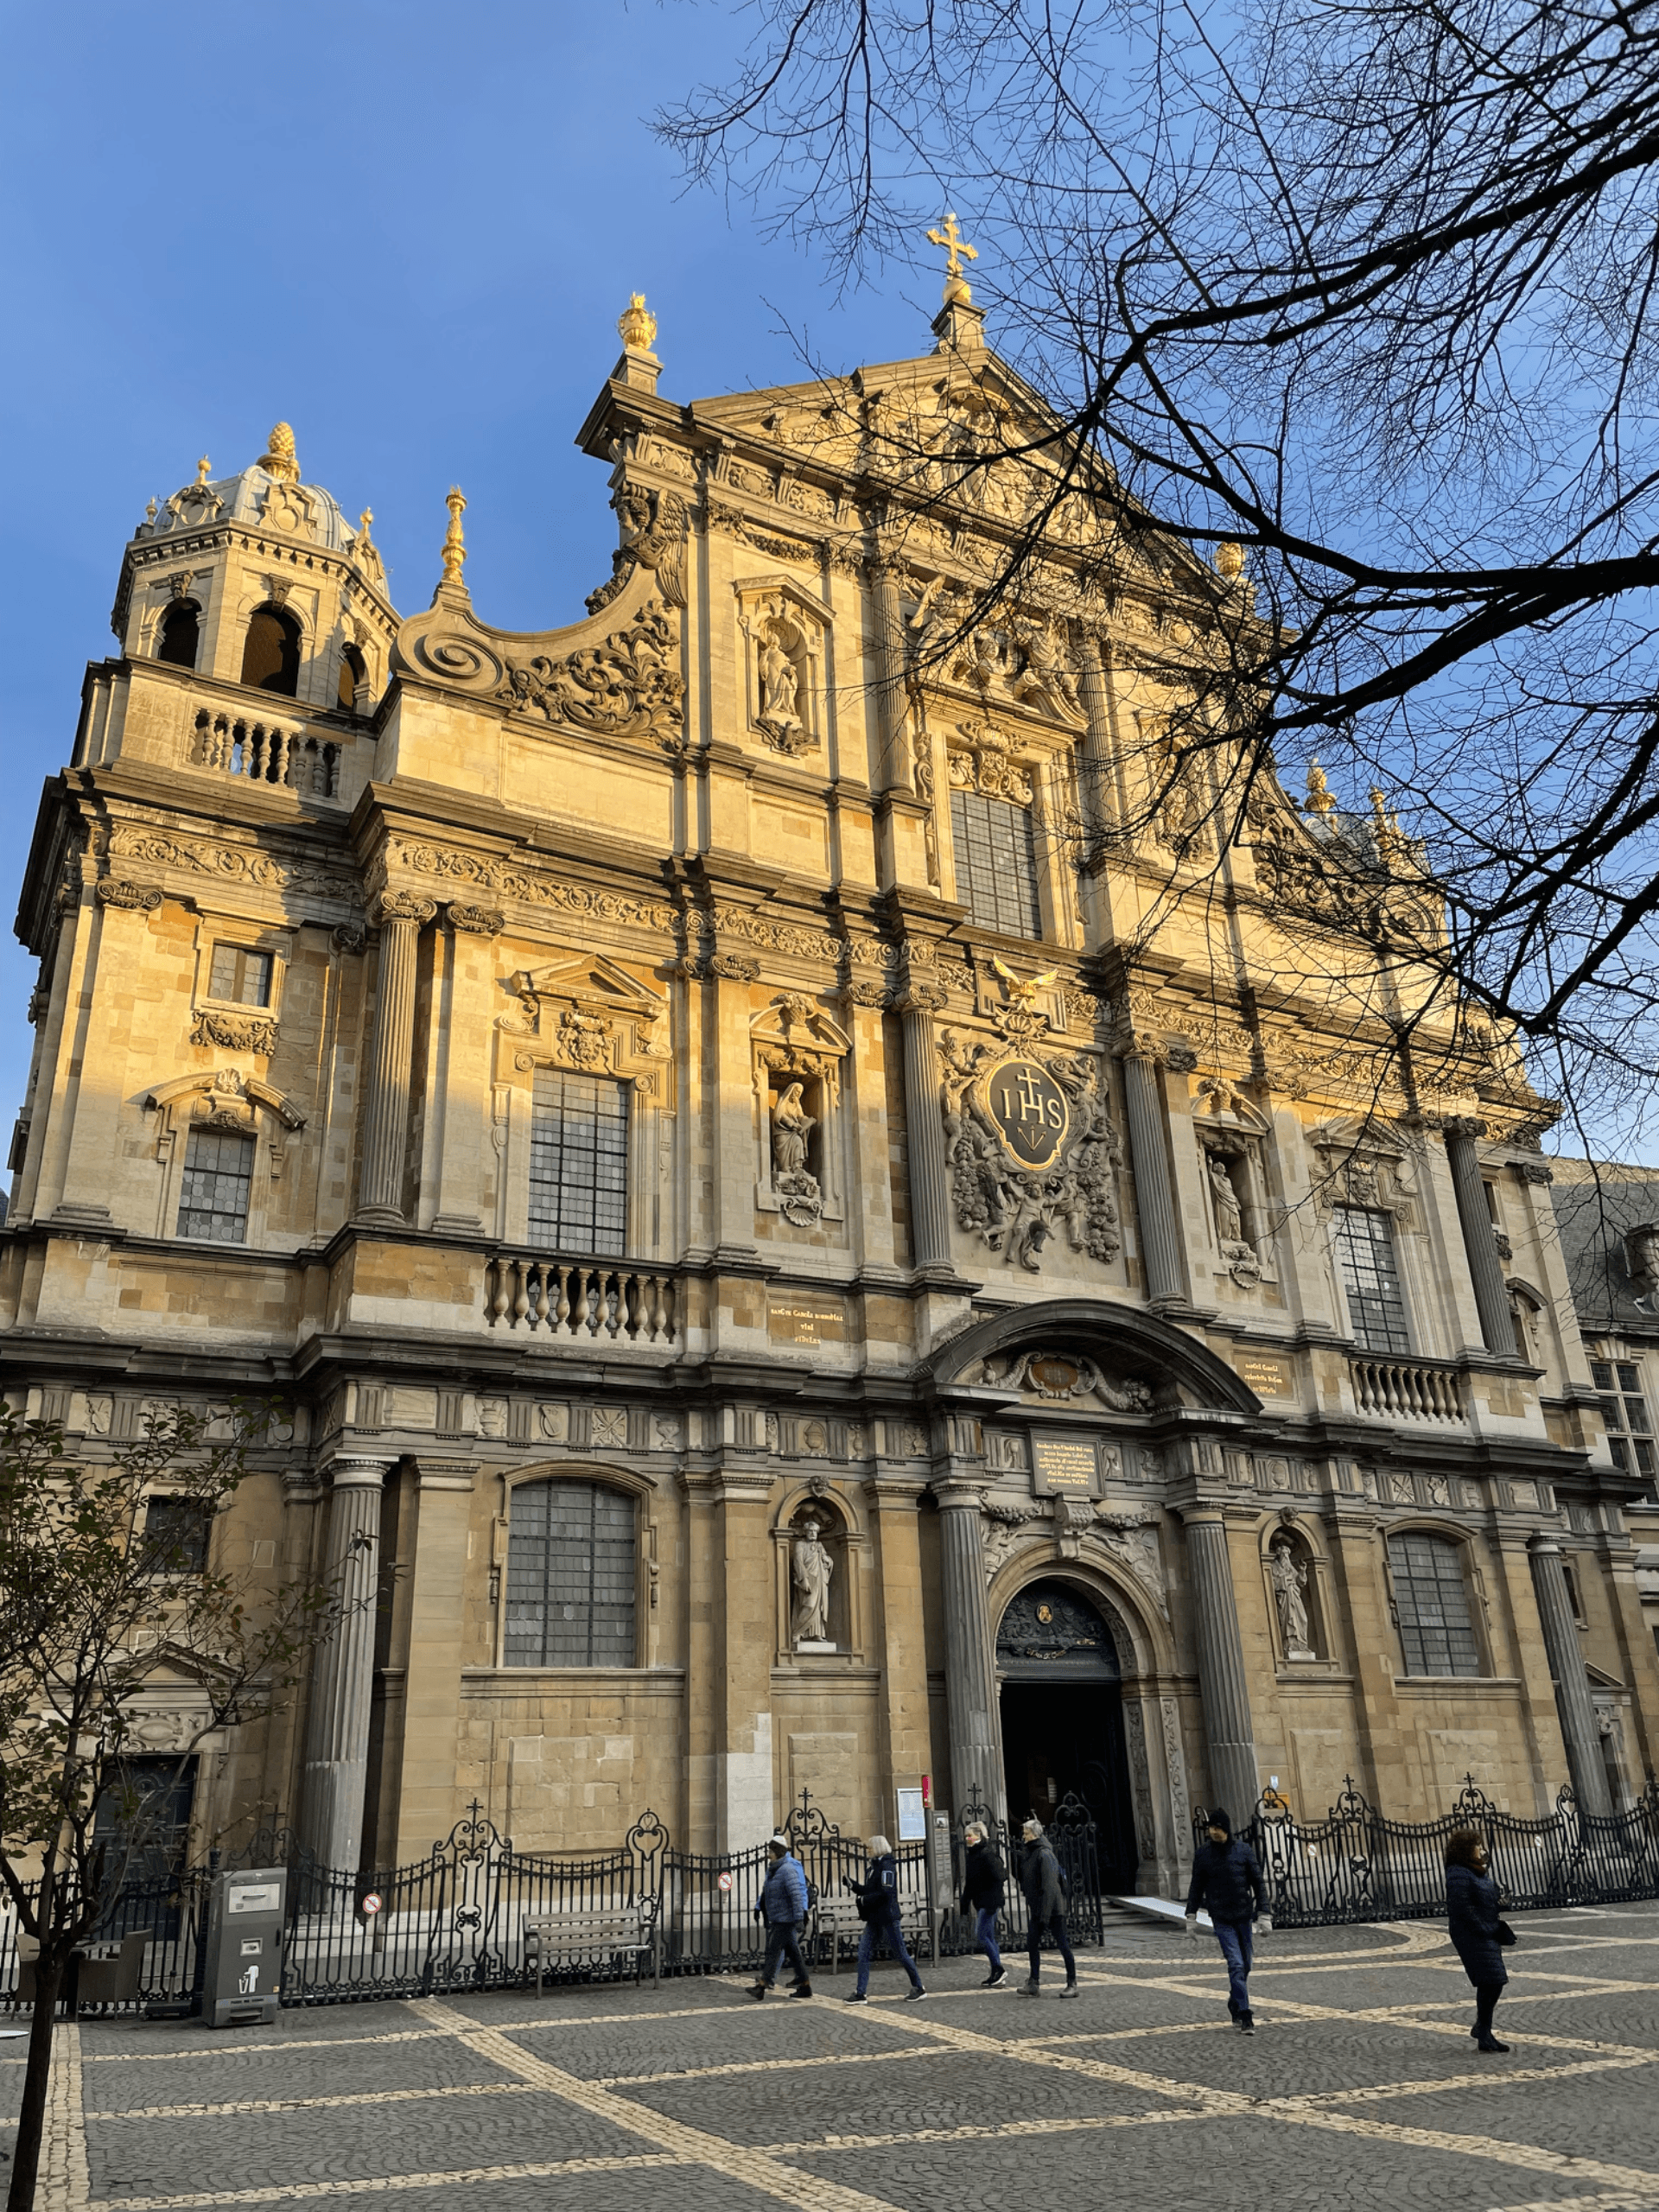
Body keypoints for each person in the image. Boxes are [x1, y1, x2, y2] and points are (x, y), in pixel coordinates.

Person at [1184, 1806, 1269, 2032]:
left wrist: (1264, 1913)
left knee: (1246, 1964)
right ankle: (1245, 2014)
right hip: (1221, 1918)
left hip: (1243, 1915)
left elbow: (1258, 1883)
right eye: (1210, 1827)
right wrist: (1191, 1915)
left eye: (1217, 1828)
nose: (1213, 1831)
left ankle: (1235, 2001)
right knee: (1236, 1964)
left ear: (1226, 1829)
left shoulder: (1243, 1851)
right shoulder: (1203, 1854)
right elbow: (1196, 1886)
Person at [1445, 1828, 1511, 2053]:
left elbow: (1482, 1898)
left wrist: (1499, 1902)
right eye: (1477, 1845)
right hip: (1471, 1934)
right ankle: (1483, 2030)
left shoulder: (1477, 1870)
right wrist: (1483, 1927)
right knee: (1491, 1980)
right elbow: (1462, 1906)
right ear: (1467, 1849)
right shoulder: (1458, 1873)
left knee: (1493, 1981)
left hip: (1486, 1930)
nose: (1481, 1849)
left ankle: (1483, 2030)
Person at [842, 1834, 926, 2002]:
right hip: (874, 1918)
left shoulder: (887, 1866)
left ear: (878, 1848)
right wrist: (852, 1885)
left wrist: (864, 1900)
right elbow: (868, 1890)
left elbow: (885, 1893)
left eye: (870, 1847)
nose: (868, 1850)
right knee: (863, 1952)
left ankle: (919, 1987)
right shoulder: (873, 1868)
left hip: (888, 1917)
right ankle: (860, 1993)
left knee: (901, 1953)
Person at [1016, 1817, 1078, 1999]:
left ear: (1035, 1835)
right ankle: (1033, 1982)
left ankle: (1072, 1983)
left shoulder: (1044, 1854)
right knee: (1032, 1943)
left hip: (1052, 1909)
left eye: (1026, 1834)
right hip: (1038, 1908)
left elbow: (1050, 1886)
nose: (1023, 1836)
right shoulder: (1031, 1853)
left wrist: (1045, 1915)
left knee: (1063, 1944)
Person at [750, 1834, 811, 2000]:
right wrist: (759, 1906)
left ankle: (763, 1984)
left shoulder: (788, 1869)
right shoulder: (773, 1870)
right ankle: (805, 1985)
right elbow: (766, 1891)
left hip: (786, 1919)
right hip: (778, 1917)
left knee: (773, 1952)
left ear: (778, 1852)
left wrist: (800, 1916)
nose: (768, 1854)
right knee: (793, 1953)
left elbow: (797, 1893)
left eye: (771, 1851)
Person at [960, 1821, 1009, 1988]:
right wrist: (965, 1904)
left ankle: (998, 1969)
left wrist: (987, 1888)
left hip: (989, 1902)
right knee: (989, 1936)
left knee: (981, 1935)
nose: (967, 1838)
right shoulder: (973, 1855)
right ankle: (996, 1972)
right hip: (981, 1901)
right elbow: (969, 1883)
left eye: (970, 1835)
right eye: (966, 1836)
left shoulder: (987, 1854)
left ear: (979, 1836)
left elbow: (1000, 1875)